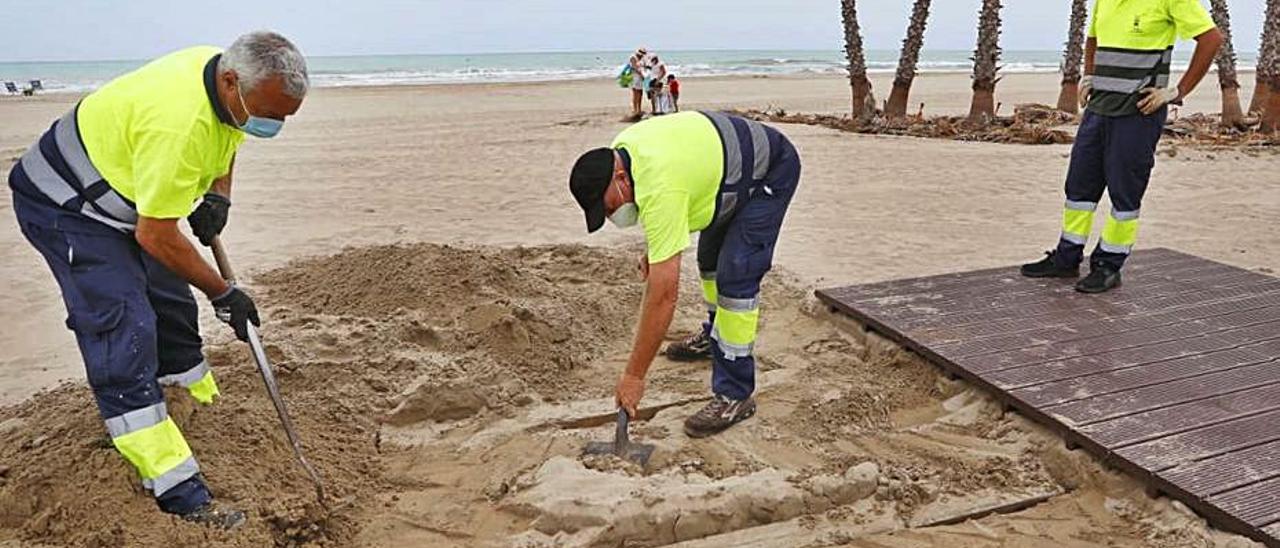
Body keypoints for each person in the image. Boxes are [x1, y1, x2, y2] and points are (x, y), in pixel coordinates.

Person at [7, 31, 308, 528]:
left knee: (172, 307)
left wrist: (218, 197)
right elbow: (155, 234)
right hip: (67, 205)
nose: (271, 125)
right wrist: (222, 292)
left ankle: (196, 412)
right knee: (127, 326)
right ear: (232, 82)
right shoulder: (179, 124)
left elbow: (230, 136)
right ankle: (175, 489)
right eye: (269, 114)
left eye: (282, 118)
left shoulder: (225, 85)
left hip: (126, 193)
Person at [569, 111, 801, 438]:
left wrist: (634, 376)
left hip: (770, 169)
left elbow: (664, 296)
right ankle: (714, 338)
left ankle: (735, 394)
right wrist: (656, 251)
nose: (611, 217)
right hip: (728, 173)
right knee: (709, 259)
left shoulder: (658, 184)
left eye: (608, 208)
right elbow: (681, 186)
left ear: (620, 178)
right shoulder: (624, 153)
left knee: (737, 273)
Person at [1021, 0, 1222, 293]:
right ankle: (1066, 259)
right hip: (1098, 110)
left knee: (1124, 192)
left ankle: (1108, 265)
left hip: (1138, 114)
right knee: (1079, 187)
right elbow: (1093, 37)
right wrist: (1088, 75)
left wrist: (1176, 92)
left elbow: (1211, 38)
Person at [626, 47, 651, 120]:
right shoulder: (633, 57)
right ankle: (635, 110)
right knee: (636, 93)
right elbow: (635, 68)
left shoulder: (641, 58)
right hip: (635, 77)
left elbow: (642, 67)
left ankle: (639, 109)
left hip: (640, 77)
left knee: (640, 93)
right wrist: (642, 75)